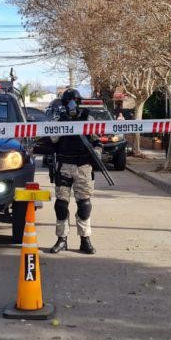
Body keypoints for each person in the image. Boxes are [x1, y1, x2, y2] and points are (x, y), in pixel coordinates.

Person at [38, 88, 100, 255]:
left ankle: (85, 239)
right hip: (64, 165)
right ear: (64, 104)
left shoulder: (89, 119)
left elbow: (97, 141)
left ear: (79, 102)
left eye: (75, 101)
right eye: (68, 101)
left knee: (84, 205)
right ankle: (62, 239)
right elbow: (52, 140)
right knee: (61, 205)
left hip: (83, 167)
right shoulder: (59, 120)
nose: (72, 104)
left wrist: (97, 154)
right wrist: (57, 125)